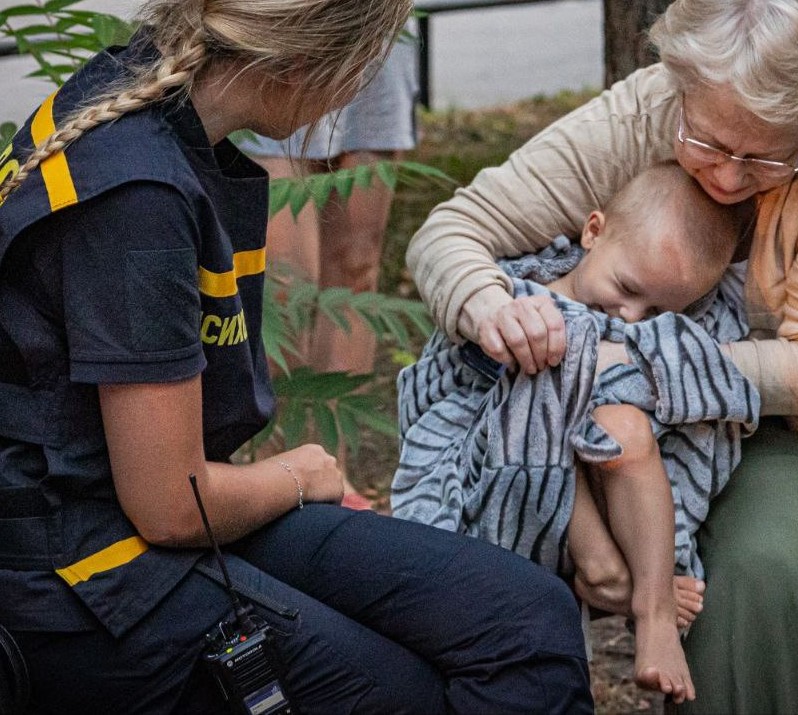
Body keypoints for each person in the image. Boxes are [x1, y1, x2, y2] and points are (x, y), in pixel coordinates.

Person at [404, 0, 798, 712]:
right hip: (717, 433)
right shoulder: (647, 109)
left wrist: (640, 364)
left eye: (765, 156)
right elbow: (453, 232)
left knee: (741, 574)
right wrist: (494, 309)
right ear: (680, 86)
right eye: (708, 143)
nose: (727, 178)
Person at [0, 1, 594, 713]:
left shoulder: (133, 98)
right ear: (309, 64)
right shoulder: (138, 196)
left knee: (528, 617)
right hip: (89, 579)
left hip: (131, 520)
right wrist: (298, 472)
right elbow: (168, 505)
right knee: (410, 691)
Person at [392, 162, 759, 704]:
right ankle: (609, 573)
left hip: (609, 488)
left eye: (658, 310)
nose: (632, 317)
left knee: (623, 424)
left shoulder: (638, 326)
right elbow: (459, 396)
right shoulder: (517, 292)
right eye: (627, 287)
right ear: (593, 231)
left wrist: (616, 370)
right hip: (496, 483)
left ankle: (650, 611)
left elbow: (696, 388)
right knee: (547, 370)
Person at [240, 24, 420, 375]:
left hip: (377, 26)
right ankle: (283, 426)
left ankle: (333, 426)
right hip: (281, 24)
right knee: (283, 289)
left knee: (357, 267)